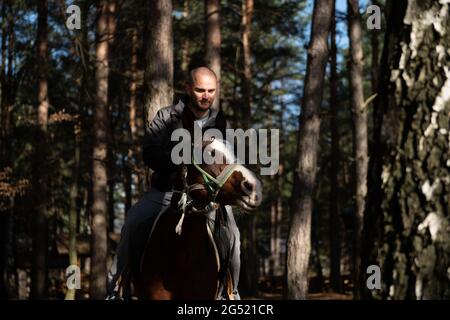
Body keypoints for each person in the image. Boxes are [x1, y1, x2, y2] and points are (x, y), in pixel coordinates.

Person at [107, 66, 241, 300]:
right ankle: (115, 289)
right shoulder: (166, 116)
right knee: (132, 223)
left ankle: (230, 293)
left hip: (207, 198)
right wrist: (181, 155)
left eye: (211, 90)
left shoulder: (221, 122)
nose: (206, 96)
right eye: (200, 90)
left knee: (233, 235)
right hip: (166, 193)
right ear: (188, 88)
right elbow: (149, 154)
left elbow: (230, 161)